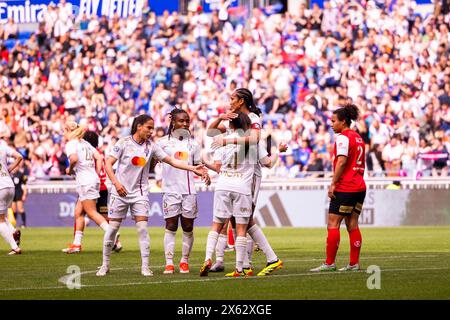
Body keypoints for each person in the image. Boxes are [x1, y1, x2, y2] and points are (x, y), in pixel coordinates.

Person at [96, 114, 208, 277]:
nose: (151, 131)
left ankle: (145, 267)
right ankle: (105, 265)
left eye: (153, 128)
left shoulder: (152, 147)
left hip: (140, 193)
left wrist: (193, 169)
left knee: (142, 228)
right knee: (112, 229)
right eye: (149, 128)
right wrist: (116, 184)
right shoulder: (123, 143)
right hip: (118, 193)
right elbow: (107, 163)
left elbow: (172, 161)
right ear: (139, 126)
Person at [207, 88, 283, 276]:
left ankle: (266, 260)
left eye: (232, 98)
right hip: (239, 175)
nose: (230, 101)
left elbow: (255, 139)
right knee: (239, 219)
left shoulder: (253, 119)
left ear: (241, 101)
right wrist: (221, 117)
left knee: (244, 219)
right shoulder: (235, 118)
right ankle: (246, 266)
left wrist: (227, 142)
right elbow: (211, 132)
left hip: (250, 174)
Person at [311, 104, 366, 272]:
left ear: (343, 121)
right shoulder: (358, 138)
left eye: (334, 121)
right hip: (359, 187)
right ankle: (354, 263)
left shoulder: (343, 137)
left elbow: (341, 161)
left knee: (333, 224)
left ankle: (329, 263)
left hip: (346, 187)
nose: (331, 124)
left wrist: (333, 183)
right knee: (353, 225)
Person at [157, 108, 210, 274]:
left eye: (187, 121)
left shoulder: (193, 144)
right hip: (170, 190)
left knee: (188, 227)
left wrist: (205, 173)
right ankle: (169, 262)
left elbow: (197, 166)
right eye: (181, 121)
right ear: (173, 122)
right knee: (171, 225)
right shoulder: (162, 142)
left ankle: (184, 261)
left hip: (189, 191)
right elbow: (155, 163)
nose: (185, 124)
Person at [62, 130, 122, 254]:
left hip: (89, 183)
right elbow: (100, 159)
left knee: (91, 213)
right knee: (79, 213)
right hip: (101, 187)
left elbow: (75, 160)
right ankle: (76, 244)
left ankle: (112, 234)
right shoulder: (95, 151)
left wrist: (72, 170)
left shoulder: (80, 147)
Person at [0, 139, 23, 255]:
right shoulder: (3, 147)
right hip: (10, 185)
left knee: (0, 220)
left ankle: (15, 247)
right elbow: (19, 157)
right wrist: (10, 169)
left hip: (0, 188)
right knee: (2, 217)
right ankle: (14, 232)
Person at [11, 161, 28, 229]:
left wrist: (24, 194)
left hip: (19, 193)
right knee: (13, 210)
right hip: (12, 194)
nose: (14, 168)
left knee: (20, 209)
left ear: (18, 167)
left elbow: (24, 185)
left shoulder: (21, 174)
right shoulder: (10, 175)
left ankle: (24, 224)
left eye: (16, 167)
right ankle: (14, 224)